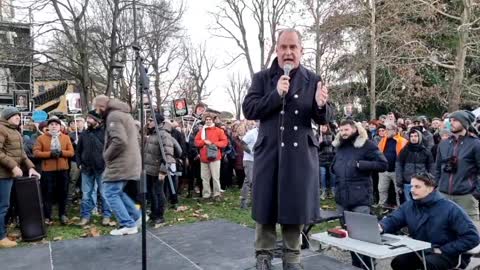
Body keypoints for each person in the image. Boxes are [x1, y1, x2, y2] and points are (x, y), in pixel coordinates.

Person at [242, 28, 332, 270]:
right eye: (284, 47)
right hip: (270, 152)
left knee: (294, 206)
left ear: (301, 51)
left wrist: (321, 105)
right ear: (277, 49)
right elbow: (249, 109)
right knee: (266, 206)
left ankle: (292, 257)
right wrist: (275, 94)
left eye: (293, 47)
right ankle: (263, 256)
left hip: (299, 155)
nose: (288, 52)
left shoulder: (313, 79)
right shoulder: (262, 78)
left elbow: (323, 118)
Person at [379, 173, 480, 270]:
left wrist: (443, 249)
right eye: (411, 186)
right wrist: (382, 226)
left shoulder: (451, 209)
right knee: (399, 262)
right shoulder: (409, 206)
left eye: (417, 187)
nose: (412, 190)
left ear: (430, 188)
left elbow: (472, 237)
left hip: (449, 253)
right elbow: (394, 220)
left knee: (428, 264)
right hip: (422, 250)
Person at [331, 119, 388, 269]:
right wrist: (334, 168)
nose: (343, 133)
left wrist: (362, 165)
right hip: (342, 197)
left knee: (363, 236)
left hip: (361, 197)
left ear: (354, 129)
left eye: (346, 130)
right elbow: (336, 163)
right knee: (348, 236)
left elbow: (383, 164)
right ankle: (356, 265)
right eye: (341, 130)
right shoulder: (340, 146)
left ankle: (368, 266)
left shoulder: (367, 145)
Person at [94, 95, 142, 236]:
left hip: (120, 162)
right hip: (129, 160)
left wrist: (106, 156)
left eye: (96, 108)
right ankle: (137, 216)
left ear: (101, 106)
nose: (96, 112)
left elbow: (119, 141)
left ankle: (128, 224)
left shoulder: (113, 116)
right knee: (117, 192)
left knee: (109, 192)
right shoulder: (122, 114)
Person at [0, 107, 40, 248]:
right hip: (2, 175)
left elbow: (22, 154)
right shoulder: (2, 129)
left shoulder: (14, 131)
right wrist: (13, 166)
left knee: (8, 205)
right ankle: (1, 237)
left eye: (18, 115)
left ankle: (3, 232)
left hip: (9, 175)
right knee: (3, 206)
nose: (18, 117)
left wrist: (31, 167)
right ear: (7, 117)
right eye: (15, 115)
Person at [435, 110, 480, 222]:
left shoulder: (475, 144)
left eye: (455, 120)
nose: (451, 123)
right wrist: (437, 186)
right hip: (443, 194)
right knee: (444, 228)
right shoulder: (443, 144)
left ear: (464, 123)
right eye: (450, 120)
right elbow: (437, 168)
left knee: (472, 231)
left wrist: (476, 193)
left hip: (466, 196)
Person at [33, 116, 75, 225]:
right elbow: (36, 153)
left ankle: (63, 214)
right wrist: (50, 154)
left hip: (63, 170)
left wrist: (61, 153)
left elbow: (71, 152)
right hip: (48, 170)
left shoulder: (65, 138)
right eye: (51, 124)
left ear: (60, 127)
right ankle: (47, 216)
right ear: (48, 127)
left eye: (56, 124)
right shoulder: (41, 138)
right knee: (48, 193)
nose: (54, 126)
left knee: (63, 192)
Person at [76, 110, 111, 226]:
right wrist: (79, 163)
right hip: (86, 169)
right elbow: (78, 150)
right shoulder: (84, 134)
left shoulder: (105, 133)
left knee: (104, 193)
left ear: (97, 120)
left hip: (102, 168)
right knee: (86, 194)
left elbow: (111, 149)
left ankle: (106, 216)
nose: (87, 120)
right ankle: (86, 216)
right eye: (87, 118)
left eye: (90, 118)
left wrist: (107, 163)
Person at [144, 113, 178, 227]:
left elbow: (168, 154)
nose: (148, 122)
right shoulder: (153, 133)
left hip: (158, 169)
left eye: (150, 120)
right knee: (152, 193)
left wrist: (163, 170)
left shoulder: (163, 135)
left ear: (157, 122)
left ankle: (160, 216)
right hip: (150, 169)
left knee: (159, 193)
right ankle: (154, 213)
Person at [194, 113, 228, 201]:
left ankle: (217, 195)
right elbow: (196, 142)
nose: (208, 121)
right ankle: (206, 195)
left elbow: (224, 142)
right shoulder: (201, 131)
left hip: (214, 157)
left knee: (215, 177)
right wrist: (204, 142)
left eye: (210, 119)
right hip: (204, 158)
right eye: (207, 119)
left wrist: (213, 144)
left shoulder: (218, 130)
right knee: (204, 178)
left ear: (212, 120)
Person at [395, 129, 434, 202]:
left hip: (422, 182)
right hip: (408, 182)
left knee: (422, 202)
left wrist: (430, 181)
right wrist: (399, 182)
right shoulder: (404, 151)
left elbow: (431, 167)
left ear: (419, 137)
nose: (413, 138)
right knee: (409, 203)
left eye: (415, 136)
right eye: (411, 136)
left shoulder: (426, 151)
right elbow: (399, 166)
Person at [377, 123, 408, 207]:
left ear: (394, 130)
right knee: (382, 190)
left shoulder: (402, 141)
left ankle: (400, 209)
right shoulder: (383, 140)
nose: (385, 131)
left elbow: (406, 156)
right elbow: (378, 153)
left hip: (397, 171)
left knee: (398, 191)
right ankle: (381, 208)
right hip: (384, 170)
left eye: (388, 129)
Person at [240, 121, 258, 209]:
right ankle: (244, 202)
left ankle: (251, 201)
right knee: (250, 181)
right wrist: (251, 152)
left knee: (251, 181)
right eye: (258, 122)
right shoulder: (251, 133)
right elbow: (242, 143)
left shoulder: (263, 133)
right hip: (249, 160)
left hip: (258, 160)